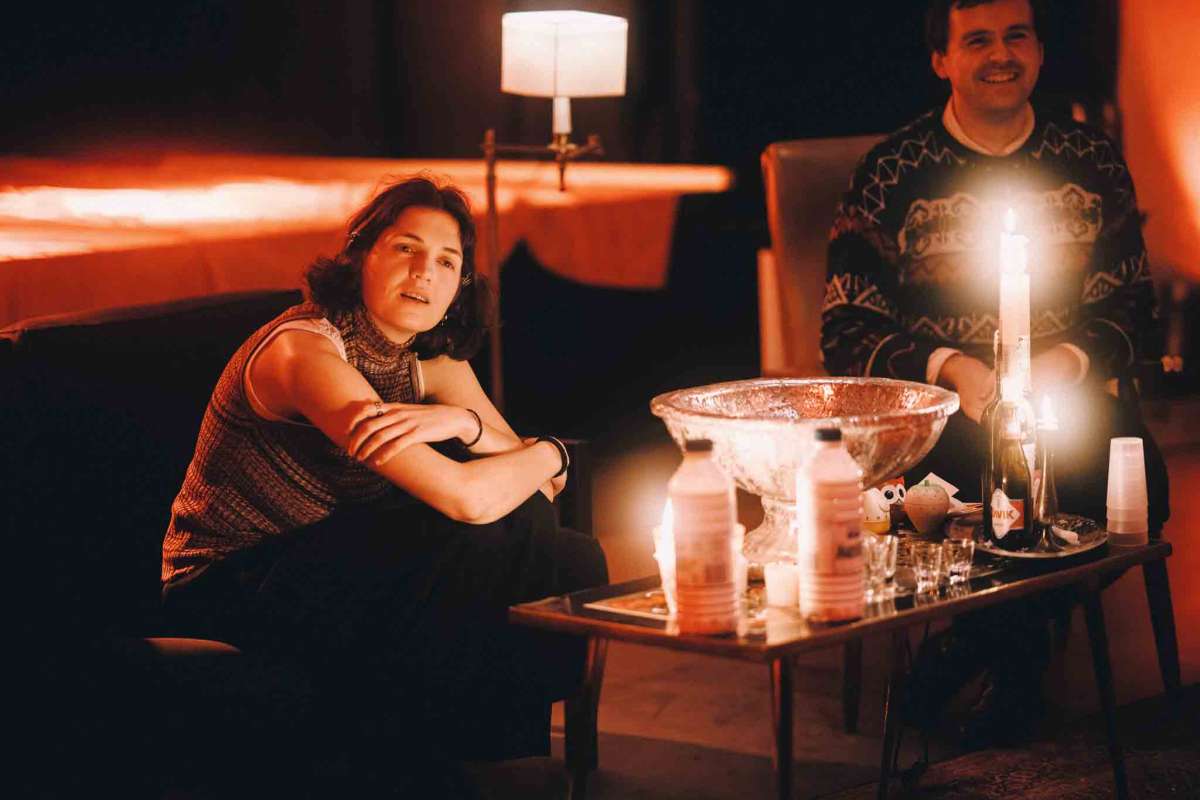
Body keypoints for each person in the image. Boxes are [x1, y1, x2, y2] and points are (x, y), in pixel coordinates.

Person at [160, 175, 607, 795]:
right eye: (405, 248)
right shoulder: (305, 353)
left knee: (561, 546)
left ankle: (457, 745)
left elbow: (539, 489)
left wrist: (468, 424)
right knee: (483, 528)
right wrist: (553, 452)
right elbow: (474, 493)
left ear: (460, 286)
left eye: (446, 261)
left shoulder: (429, 362)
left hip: (330, 561)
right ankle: (428, 753)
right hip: (230, 581)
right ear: (359, 257)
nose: (425, 272)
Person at [821, 0, 1169, 746]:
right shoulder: (892, 172)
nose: (1000, 55)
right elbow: (845, 327)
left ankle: (972, 646)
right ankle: (1019, 660)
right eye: (976, 40)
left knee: (1133, 491)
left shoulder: (1091, 159)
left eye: (1016, 36)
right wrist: (952, 370)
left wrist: (1065, 361)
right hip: (942, 421)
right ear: (941, 60)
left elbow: (1133, 308)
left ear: (1039, 50)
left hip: (1068, 403)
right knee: (972, 504)